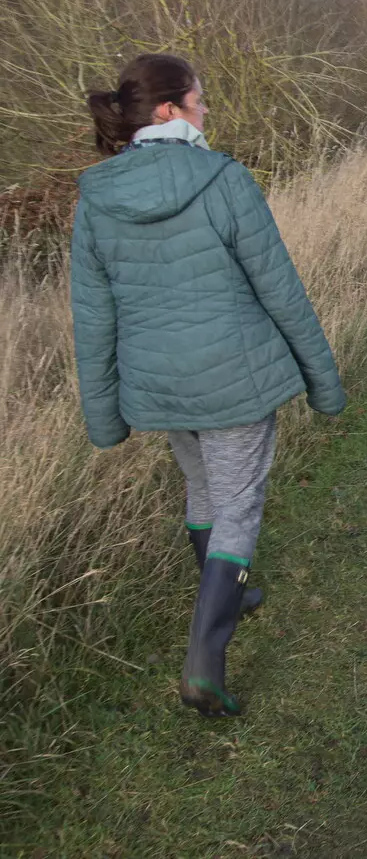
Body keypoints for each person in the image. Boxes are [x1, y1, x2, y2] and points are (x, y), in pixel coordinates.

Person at [71, 53, 345, 717]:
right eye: (199, 99)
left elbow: (92, 316)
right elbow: (279, 288)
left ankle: (232, 593)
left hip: (159, 382)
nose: (206, 109)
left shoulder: (96, 197)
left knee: (202, 485)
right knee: (239, 507)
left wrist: (104, 413)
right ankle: (205, 665)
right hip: (234, 378)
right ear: (170, 111)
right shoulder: (223, 179)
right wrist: (323, 380)